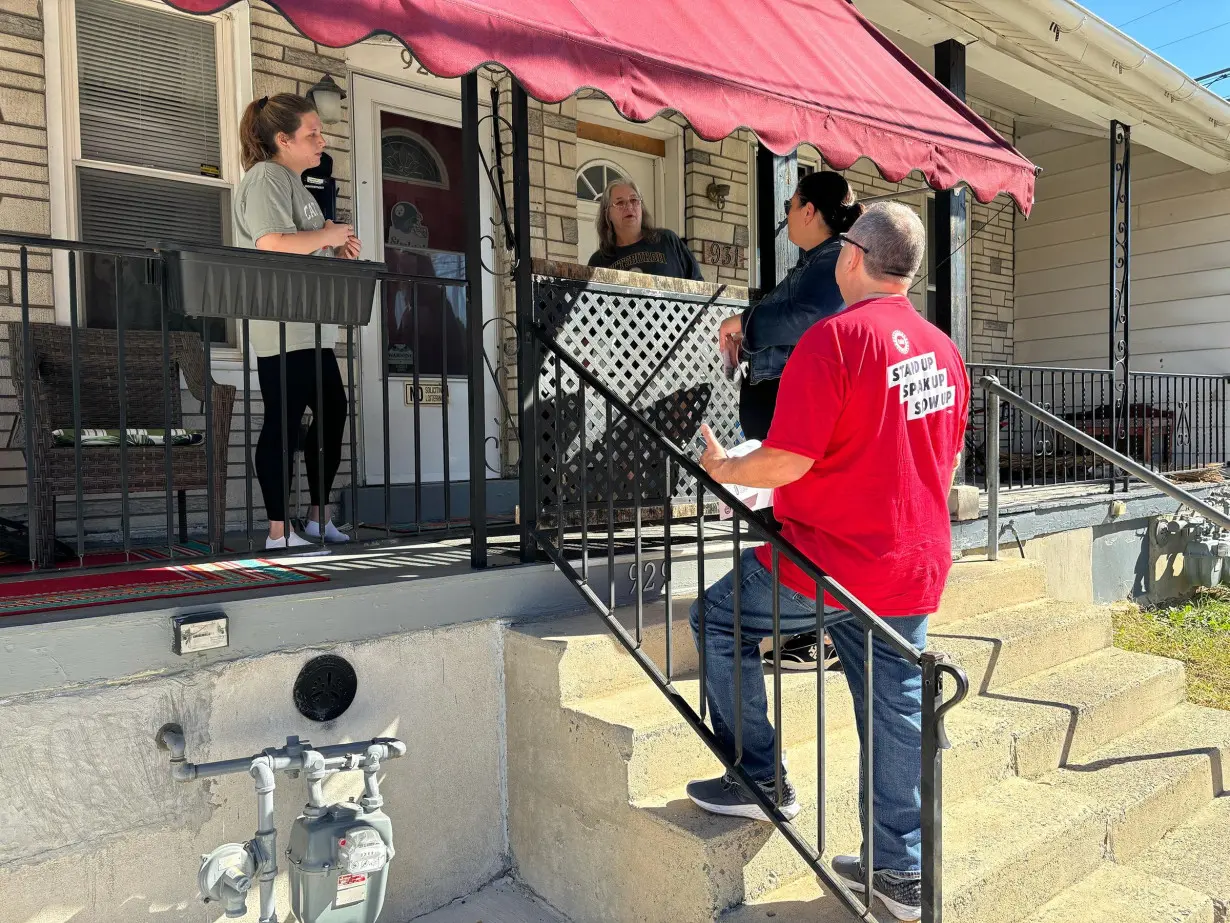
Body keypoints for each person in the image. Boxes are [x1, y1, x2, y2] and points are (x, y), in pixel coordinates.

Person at [686, 202, 968, 923]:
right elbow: (943, 454)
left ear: (851, 256)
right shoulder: (945, 350)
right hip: (912, 560)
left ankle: (760, 775)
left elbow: (790, 458)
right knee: (895, 706)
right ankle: (897, 871)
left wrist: (723, 467)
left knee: (717, 619)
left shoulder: (833, 340)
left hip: (826, 561)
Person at [718, 171, 863, 671]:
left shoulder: (831, 262)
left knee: (795, 516)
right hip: (781, 401)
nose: (784, 214)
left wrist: (748, 322)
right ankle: (816, 632)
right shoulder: (819, 260)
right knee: (785, 514)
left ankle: (813, 635)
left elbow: (811, 317)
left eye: (790, 203)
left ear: (808, 210)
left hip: (792, 404)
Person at [234, 93, 361, 549]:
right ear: (282, 139)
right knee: (284, 423)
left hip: (310, 325)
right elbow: (269, 242)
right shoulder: (266, 176)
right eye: (313, 133)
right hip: (282, 326)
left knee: (332, 414)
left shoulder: (296, 183)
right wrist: (325, 233)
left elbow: (301, 243)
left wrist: (333, 245)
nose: (322, 141)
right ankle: (276, 532)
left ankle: (316, 518)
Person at [587, 180, 704, 280]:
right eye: (620, 202)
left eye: (634, 200)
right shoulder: (598, 261)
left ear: (641, 207)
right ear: (607, 214)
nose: (629, 206)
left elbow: (698, 285)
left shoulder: (667, 241)